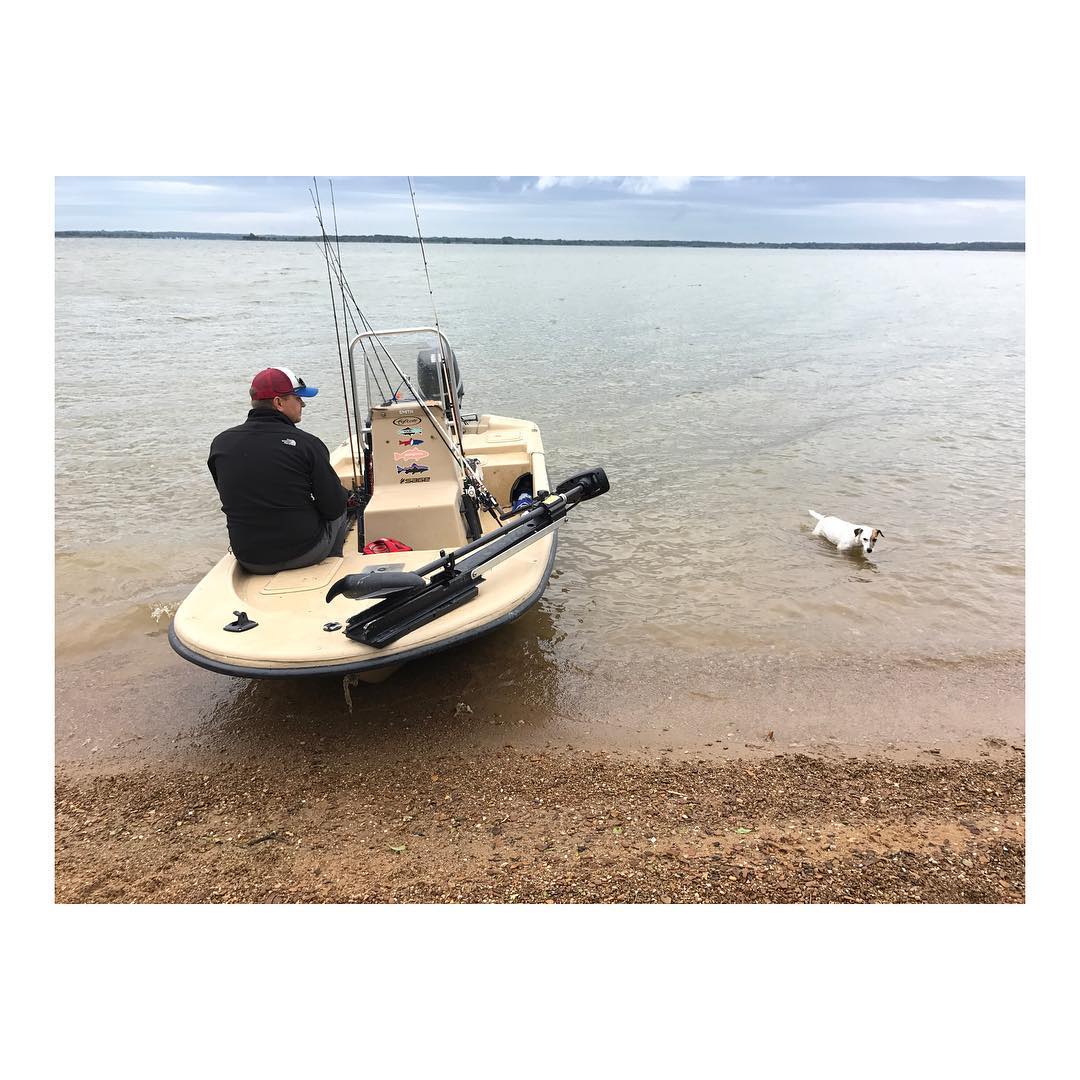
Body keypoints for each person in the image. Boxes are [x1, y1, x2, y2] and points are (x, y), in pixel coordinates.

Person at [208, 366, 349, 574]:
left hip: (250, 557)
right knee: (343, 505)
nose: (303, 404)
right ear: (279, 403)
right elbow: (334, 508)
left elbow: (231, 496)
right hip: (305, 552)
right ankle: (335, 557)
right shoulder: (307, 443)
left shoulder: (220, 444)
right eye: (298, 398)